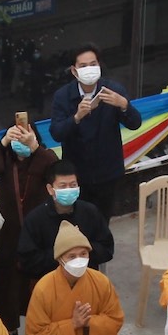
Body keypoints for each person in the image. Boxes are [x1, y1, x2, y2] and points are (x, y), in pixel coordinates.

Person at [0, 116, 59, 324]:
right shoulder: (6, 159)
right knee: (8, 284)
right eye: (17, 137)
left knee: (40, 281)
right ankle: (10, 327)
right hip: (9, 233)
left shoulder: (44, 157)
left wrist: (34, 147)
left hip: (38, 231)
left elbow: (56, 170)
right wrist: (4, 141)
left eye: (25, 136)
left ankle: (40, 326)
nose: (21, 141)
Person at [48, 44, 143, 215]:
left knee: (102, 220)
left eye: (93, 64)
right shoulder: (63, 96)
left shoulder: (113, 90)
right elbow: (56, 133)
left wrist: (124, 105)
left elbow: (135, 123)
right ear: (74, 71)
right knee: (78, 220)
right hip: (76, 176)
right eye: (83, 66)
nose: (89, 69)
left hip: (108, 173)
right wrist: (76, 117)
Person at [18, 160, 115, 284]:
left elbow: (107, 248)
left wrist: (82, 251)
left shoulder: (90, 212)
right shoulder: (35, 219)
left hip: (87, 280)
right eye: (63, 186)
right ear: (50, 189)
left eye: (73, 185)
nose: (69, 189)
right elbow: (27, 261)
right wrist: (63, 254)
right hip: (51, 284)